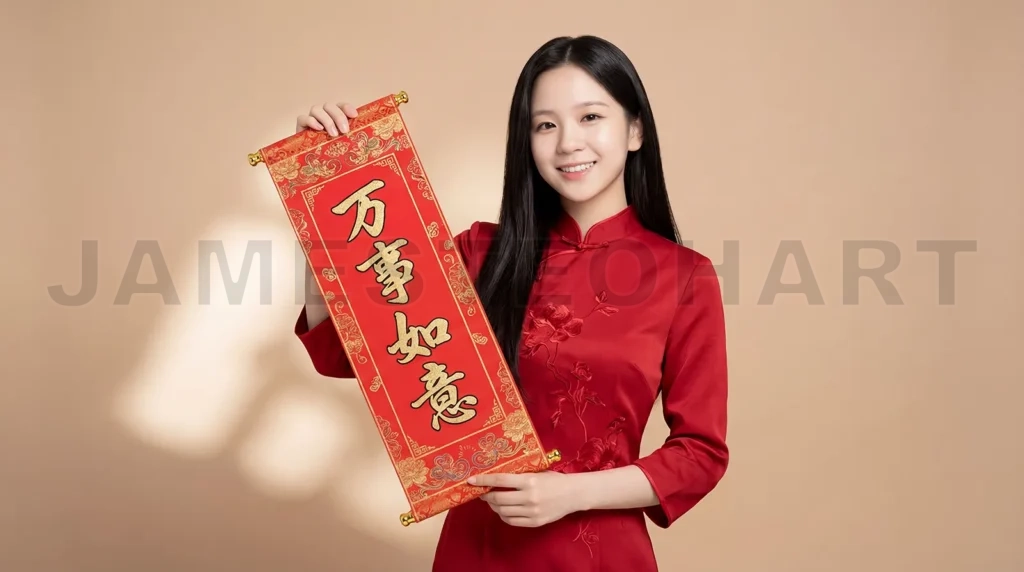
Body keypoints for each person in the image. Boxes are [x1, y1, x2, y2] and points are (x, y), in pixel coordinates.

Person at [292, 35, 728, 572]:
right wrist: (316, 191)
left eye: (591, 117)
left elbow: (700, 454)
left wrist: (571, 493)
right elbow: (345, 351)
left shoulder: (683, 277)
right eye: (545, 125)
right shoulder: (479, 253)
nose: (569, 142)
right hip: (477, 552)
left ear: (635, 129)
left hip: (601, 556)